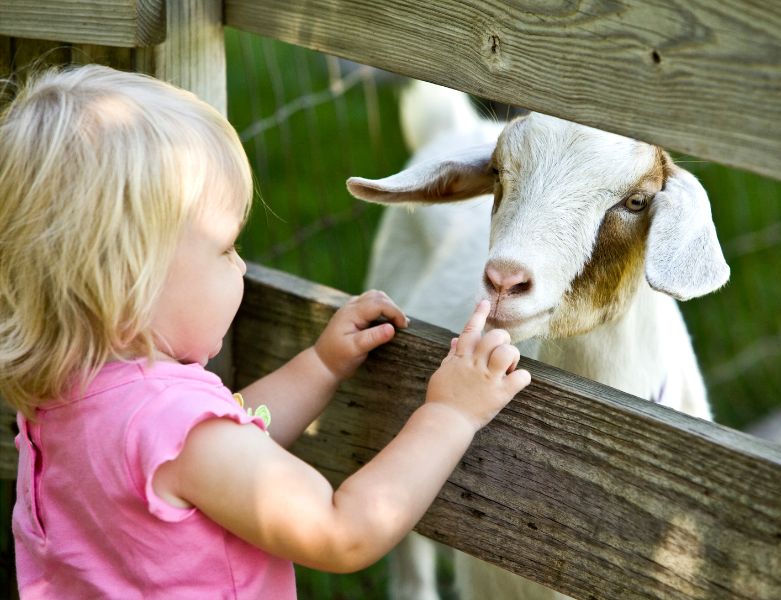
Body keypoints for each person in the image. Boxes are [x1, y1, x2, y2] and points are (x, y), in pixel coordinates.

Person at [0, 64, 531, 598]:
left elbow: (228, 447)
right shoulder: (176, 432)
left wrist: (319, 367)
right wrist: (449, 414)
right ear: (129, 281)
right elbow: (342, 531)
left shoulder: (69, 400)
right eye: (226, 247)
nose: (242, 267)